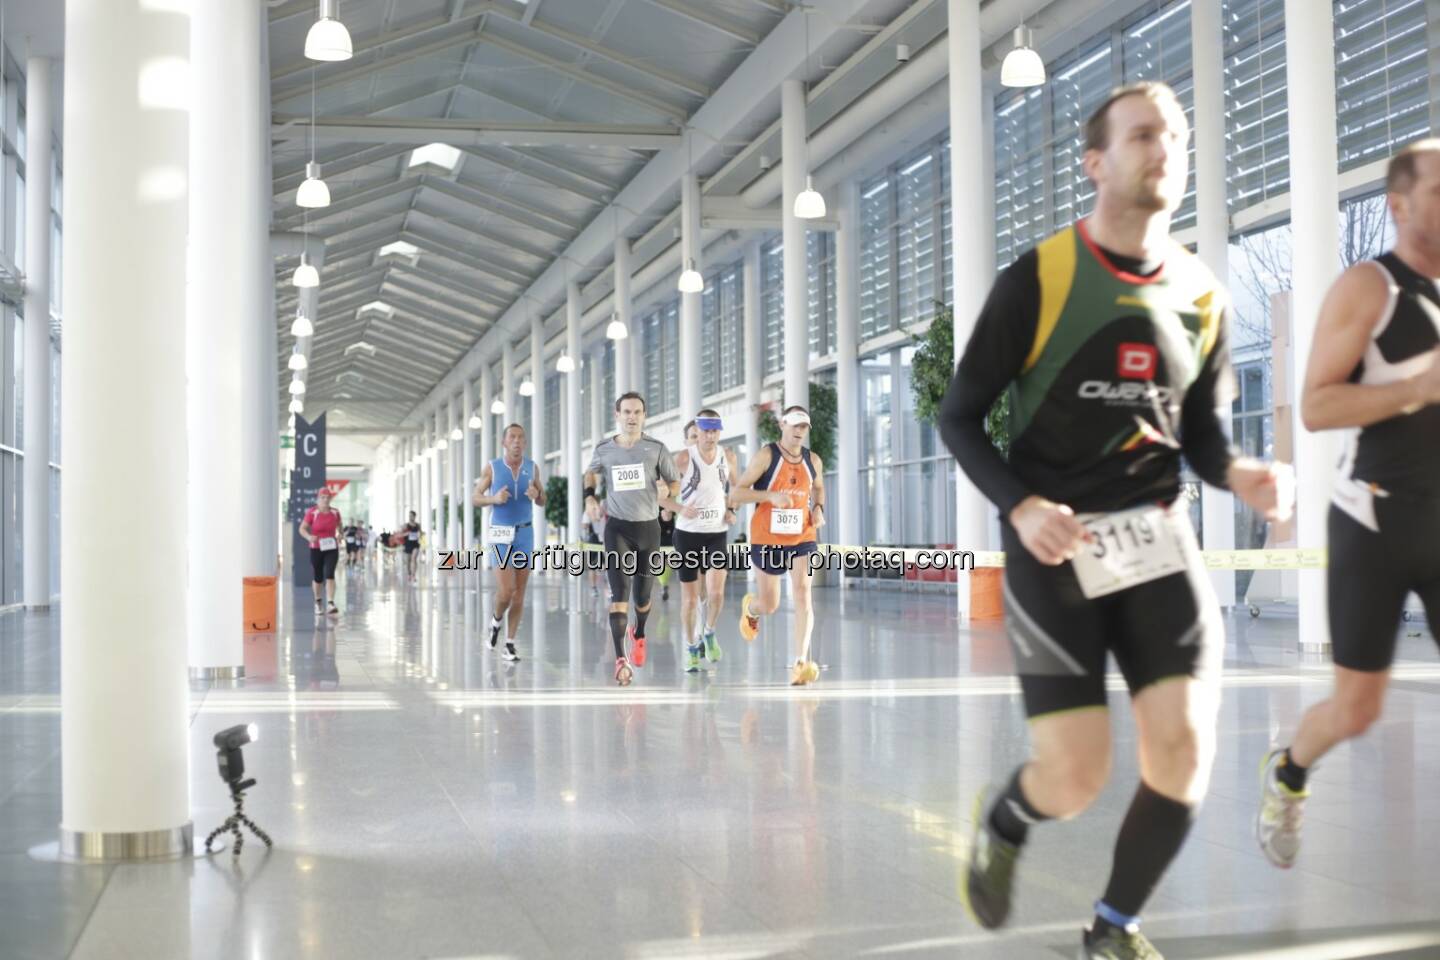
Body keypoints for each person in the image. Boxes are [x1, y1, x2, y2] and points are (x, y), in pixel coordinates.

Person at [937, 82, 1293, 960]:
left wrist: (1240, 473)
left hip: (1158, 543)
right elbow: (958, 415)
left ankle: (1114, 927)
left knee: (1183, 754)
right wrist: (1019, 507)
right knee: (1076, 775)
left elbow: (1200, 435)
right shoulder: (1042, 276)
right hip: (1055, 548)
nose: (1162, 147)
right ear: (1095, 162)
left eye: (1174, 135)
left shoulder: (1205, 295)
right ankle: (1008, 818)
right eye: (1141, 135)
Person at [1256, 139, 1440, 869]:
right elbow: (1316, 405)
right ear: (1399, 204)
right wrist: (1417, 388)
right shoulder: (1371, 287)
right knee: (1357, 710)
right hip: (1377, 519)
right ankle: (1290, 770)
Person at [584, 392, 683, 685]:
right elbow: (590, 474)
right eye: (626, 412)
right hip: (617, 528)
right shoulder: (604, 449)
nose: (631, 417)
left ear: (643, 415)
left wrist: (669, 491)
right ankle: (620, 660)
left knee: (642, 598)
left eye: (637, 412)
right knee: (619, 594)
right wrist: (589, 497)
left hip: (648, 530)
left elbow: (675, 481)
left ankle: (639, 633)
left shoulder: (656, 448)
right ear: (617, 415)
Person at [732, 406, 827, 686]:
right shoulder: (766, 456)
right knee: (770, 604)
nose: (799, 431)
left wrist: (818, 507)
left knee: (802, 594)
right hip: (768, 537)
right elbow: (736, 492)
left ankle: (800, 662)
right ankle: (752, 609)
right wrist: (770, 495)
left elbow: (819, 488)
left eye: (804, 427)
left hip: (802, 535)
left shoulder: (814, 461)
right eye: (794, 425)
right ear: (782, 425)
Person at [474, 423, 546, 662]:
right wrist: (494, 498)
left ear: (524, 443)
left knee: (519, 595)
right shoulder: (493, 468)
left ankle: (510, 643)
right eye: (512, 437)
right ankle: (495, 621)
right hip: (501, 535)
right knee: (506, 591)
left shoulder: (532, 468)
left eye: (520, 438)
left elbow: (543, 500)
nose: (517, 441)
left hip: (525, 534)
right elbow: (475, 498)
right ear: (504, 442)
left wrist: (538, 496)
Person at [673, 413, 738, 672]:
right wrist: (674, 506)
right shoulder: (682, 458)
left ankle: (709, 632)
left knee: (716, 593)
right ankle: (690, 646)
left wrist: (733, 509)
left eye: (715, 431)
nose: (710, 436)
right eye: (706, 431)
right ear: (697, 432)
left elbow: (737, 487)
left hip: (716, 533)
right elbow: (665, 487)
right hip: (687, 535)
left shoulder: (729, 456)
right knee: (689, 600)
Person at [299, 489, 344, 617]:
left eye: (327, 497)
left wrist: (340, 534)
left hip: (331, 547)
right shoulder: (312, 512)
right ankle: (318, 601)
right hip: (316, 547)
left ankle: (330, 603)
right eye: (322, 497)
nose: (325, 500)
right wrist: (309, 537)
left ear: (330, 499)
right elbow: (302, 528)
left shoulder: (335, 512)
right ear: (318, 499)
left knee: (329, 574)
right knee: (318, 576)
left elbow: (340, 525)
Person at [402, 510, 422, 583]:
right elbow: (401, 535)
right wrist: (407, 534)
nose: (410, 517)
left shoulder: (418, 525)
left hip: (415, 544)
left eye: (412, 515)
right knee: (408, 561)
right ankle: (409, 574)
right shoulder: (405, 525)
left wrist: (420, 534)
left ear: (414, 516)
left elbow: (421, 533)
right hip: (408, 544)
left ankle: (414, 575)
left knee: (414, 559)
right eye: (409, 515)